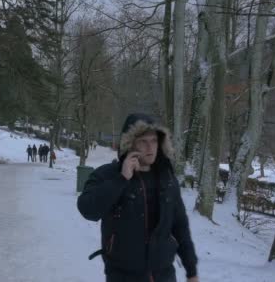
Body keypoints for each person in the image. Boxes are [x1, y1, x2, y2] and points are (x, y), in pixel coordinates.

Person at [77, 113, 198, 282]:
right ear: (130, 143)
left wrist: (191, 271)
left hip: (164, 275)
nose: (150, 147)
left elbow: (180, 227)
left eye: (154, 141)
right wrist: (121, 179)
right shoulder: (108, 174)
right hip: (122, 275)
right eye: (143, 141)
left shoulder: (167, 179)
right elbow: (88, 209)